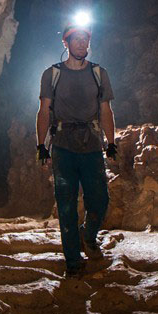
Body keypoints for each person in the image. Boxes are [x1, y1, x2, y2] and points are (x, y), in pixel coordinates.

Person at [36, 19, 117, 278]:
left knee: (100, 199)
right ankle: (72, 262)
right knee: (67, 205)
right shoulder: (52, 74)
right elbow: (43, 111)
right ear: (66, 43)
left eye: (85, 40)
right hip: (63, 145)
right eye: (77, 40)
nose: (82, 44)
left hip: (92, 144)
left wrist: (111, 142)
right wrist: (41, 146)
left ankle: (89, 235)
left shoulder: (99, 73)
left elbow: (106, 110)